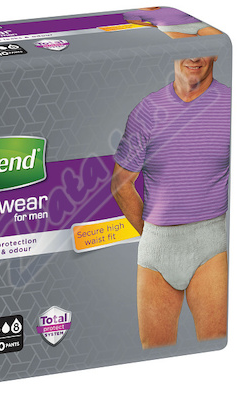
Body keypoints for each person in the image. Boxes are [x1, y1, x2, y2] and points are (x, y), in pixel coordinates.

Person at [111, 56, 230, 349]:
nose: (194, 57)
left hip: (210, 247)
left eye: (202, 50)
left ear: (215, 54)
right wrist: (153, 236)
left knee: (216, 349)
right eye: (186, 49)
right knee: (156, 357)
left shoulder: (232, 106)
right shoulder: (147, 110)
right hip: (156, 249)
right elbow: (121, 184)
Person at [123, 7, 222, 38]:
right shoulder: (132, 12)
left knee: (220, 40)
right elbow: (134, 22)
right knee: (197, 47)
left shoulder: (168, 6)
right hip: (171, 28)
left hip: (196, 24)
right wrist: (156, 26)